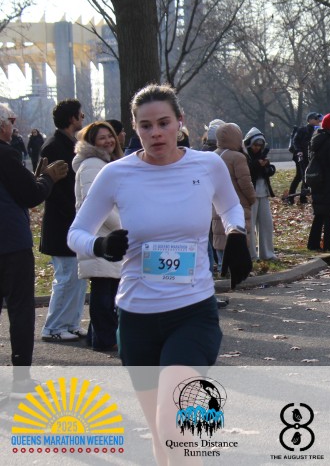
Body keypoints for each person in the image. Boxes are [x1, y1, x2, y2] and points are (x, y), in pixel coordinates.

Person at [67, 84, 250, 465]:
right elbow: (76, 232)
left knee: (174, 427)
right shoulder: (116, 174)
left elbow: (231, 207)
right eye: (145, 126)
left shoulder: (207, 165)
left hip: (192, 313)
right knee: (160, 434)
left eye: (164, 123)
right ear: (134, 128)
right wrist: (100, 246)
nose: (156, 133)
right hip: (137, 317)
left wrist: (236, 234)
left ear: (180, 122)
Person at [1, 104, 67, 396]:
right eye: (11, 120)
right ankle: (20, 379)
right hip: (10, 244)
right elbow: (30, 195)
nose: (14, 126)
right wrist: (47, 178)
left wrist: (35, 177)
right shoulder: (6, 154)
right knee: (20, 310)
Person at [72, 121, 124, 351]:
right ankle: (104, 338)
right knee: (104, 292)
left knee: (108, 290)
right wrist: (123, 226)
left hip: (108, 236)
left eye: (110, 136)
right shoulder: (93, 165)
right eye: (102, 138)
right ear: (92, 142)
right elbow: (95, 204)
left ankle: (98, 337)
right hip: (102, 236)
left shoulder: (106, 163)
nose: (108, 141)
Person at [39, 98, 87, 342]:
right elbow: (56, 191)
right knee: (67, 277)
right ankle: (54, 327)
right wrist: (75, 213)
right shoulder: (54, 146)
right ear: (72, 118)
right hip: (62, 223)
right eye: (81, 115)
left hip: (71, 220)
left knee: (78, 277)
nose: (83, 118)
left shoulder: (69, 144)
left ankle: (71, 323)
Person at [211, 123, 256, 265]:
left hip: (217, 204)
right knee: (238, 236)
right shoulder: (237, 157)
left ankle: (221, 266)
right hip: (238, 203)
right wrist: (252, 198)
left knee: (220, 236)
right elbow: (245, 182)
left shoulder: (212, 156)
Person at [306, 114, 330, 252]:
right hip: (329, 181)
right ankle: (329, 244)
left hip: (317, 179)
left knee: (319, 214)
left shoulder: (316, 138)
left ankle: (313, 243)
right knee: (329, 214)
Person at [244, 127, 277, 261]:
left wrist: (267, 166)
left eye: (260, 145)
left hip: (263, 192)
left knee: (266, 224)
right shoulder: (244, 155)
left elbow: (269, 172)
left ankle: (267, 253)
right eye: (255, 145)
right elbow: (246, 172)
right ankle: (252, 254)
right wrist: (257, 165)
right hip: (250, 194)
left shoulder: (262, 154)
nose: (257, 148)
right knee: (250, 225)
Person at [287, 112, 320, 205]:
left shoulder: (317, 130)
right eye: (315, 118)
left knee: (306, 176)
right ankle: (291, 197)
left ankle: (303, 197)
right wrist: (299, 151)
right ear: (309, 120)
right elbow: (295, 141)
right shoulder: (302, 130)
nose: (317, 120)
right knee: (299, 176)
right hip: (300, 157)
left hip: (309, 157)